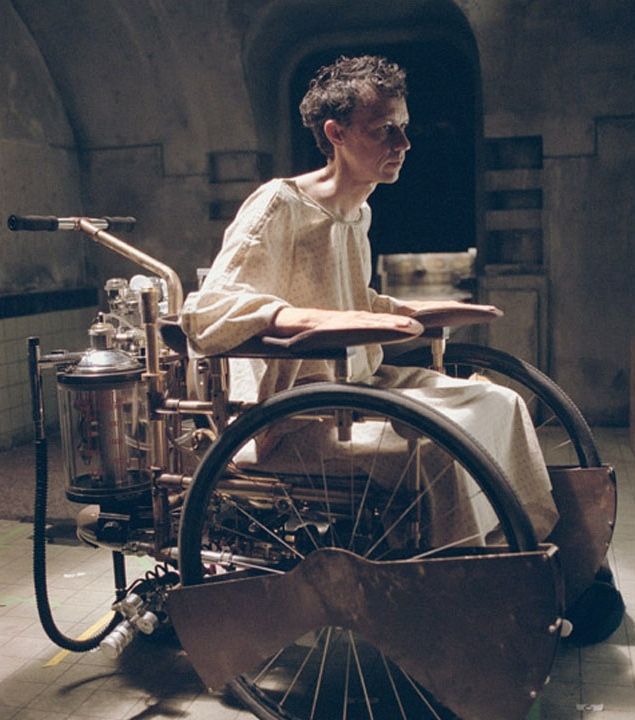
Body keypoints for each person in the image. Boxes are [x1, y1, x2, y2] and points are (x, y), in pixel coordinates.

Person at [180, 54, 558, 543]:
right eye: (384, 130)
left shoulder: (357, 213)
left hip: (362, 386)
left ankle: (522, 541)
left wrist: (411, 312)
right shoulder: (282, 204)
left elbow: (352, 300)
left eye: (403, 127)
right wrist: (304, 320)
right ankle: (459, 567)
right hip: (300, 416)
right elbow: (207, 309)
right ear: (336, 133)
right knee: (441, 448)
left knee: (501, 402)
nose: (403, 143)